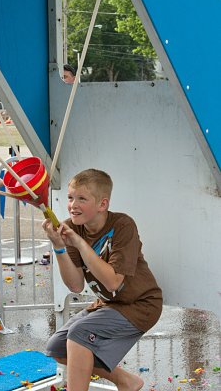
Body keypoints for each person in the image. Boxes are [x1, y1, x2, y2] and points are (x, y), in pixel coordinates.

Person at [42, 168, 163, 391]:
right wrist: (60, 248)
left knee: (78, 334)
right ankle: (126, 381)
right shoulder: (72, 227)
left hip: (140, 305)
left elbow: (113, 282)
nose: (73, 205)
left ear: (102, 204)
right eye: (70, 197)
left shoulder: (123, 225)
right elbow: (76, 284)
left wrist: (79, 243)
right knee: (57, 347)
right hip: (109, 305)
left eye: (82, 199)